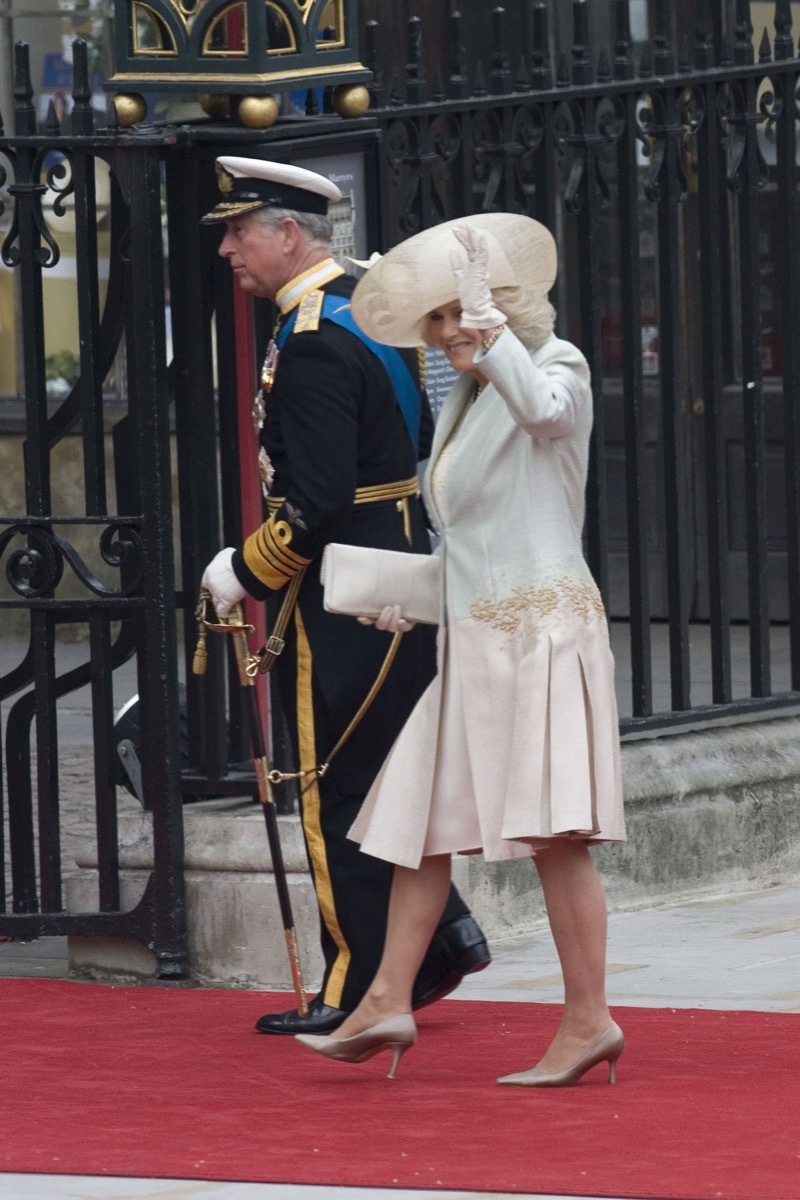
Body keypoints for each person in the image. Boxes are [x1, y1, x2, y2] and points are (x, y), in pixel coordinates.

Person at [294, 212, 626, 1084]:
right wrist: (414, 599)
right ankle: (386, 1000)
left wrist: (493, 343)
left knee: (557, 837)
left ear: (501, 306)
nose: (447, 335)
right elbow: (477, 537)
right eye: (437, 322)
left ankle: (589, 1021)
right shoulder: (469, 397)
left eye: (460, 315)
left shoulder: (554, 368)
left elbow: (550, 418)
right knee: (418, 827)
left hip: (541, 634)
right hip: (476, 637)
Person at [199, 157, 490, 1035]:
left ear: (289, 234)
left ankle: (357, 986)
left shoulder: (319, 336)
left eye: (239, 232)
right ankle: (438, 942)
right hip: (395, 564)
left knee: (338, 783)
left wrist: (245, 570)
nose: (226, 250)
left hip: (351, 586)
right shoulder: (364, 304)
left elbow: (319, 500)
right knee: (388, 777)